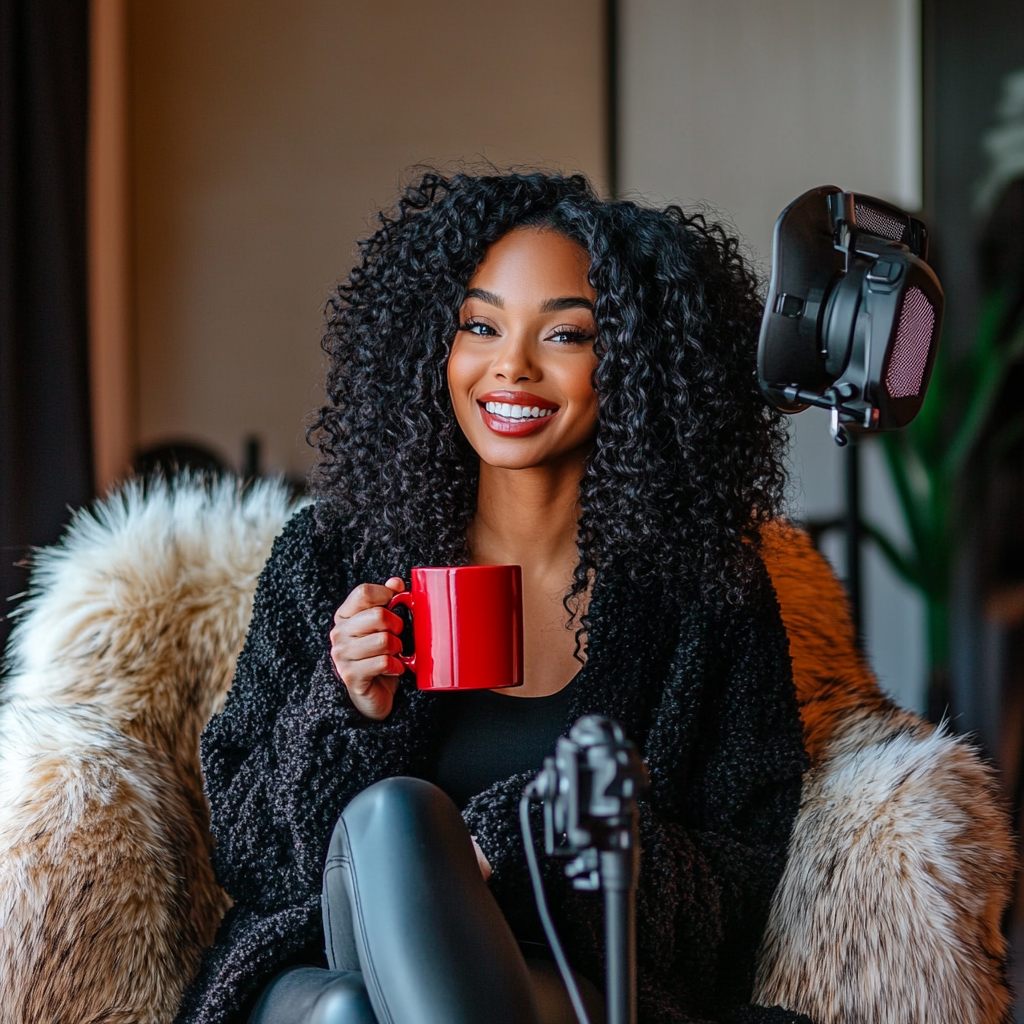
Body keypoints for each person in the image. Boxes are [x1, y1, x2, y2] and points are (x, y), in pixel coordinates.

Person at [175, 171, 811, 1024]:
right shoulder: (332, 557)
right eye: (480, 325)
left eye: (567, 335)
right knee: (388, 842)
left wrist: (517, 840)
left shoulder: (704, 593)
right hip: (320, 963)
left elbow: (736, 893)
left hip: (562, 976)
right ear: (432, 346)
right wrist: (352, 709)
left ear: (635, 365)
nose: (511, 365)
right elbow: (252, 857)